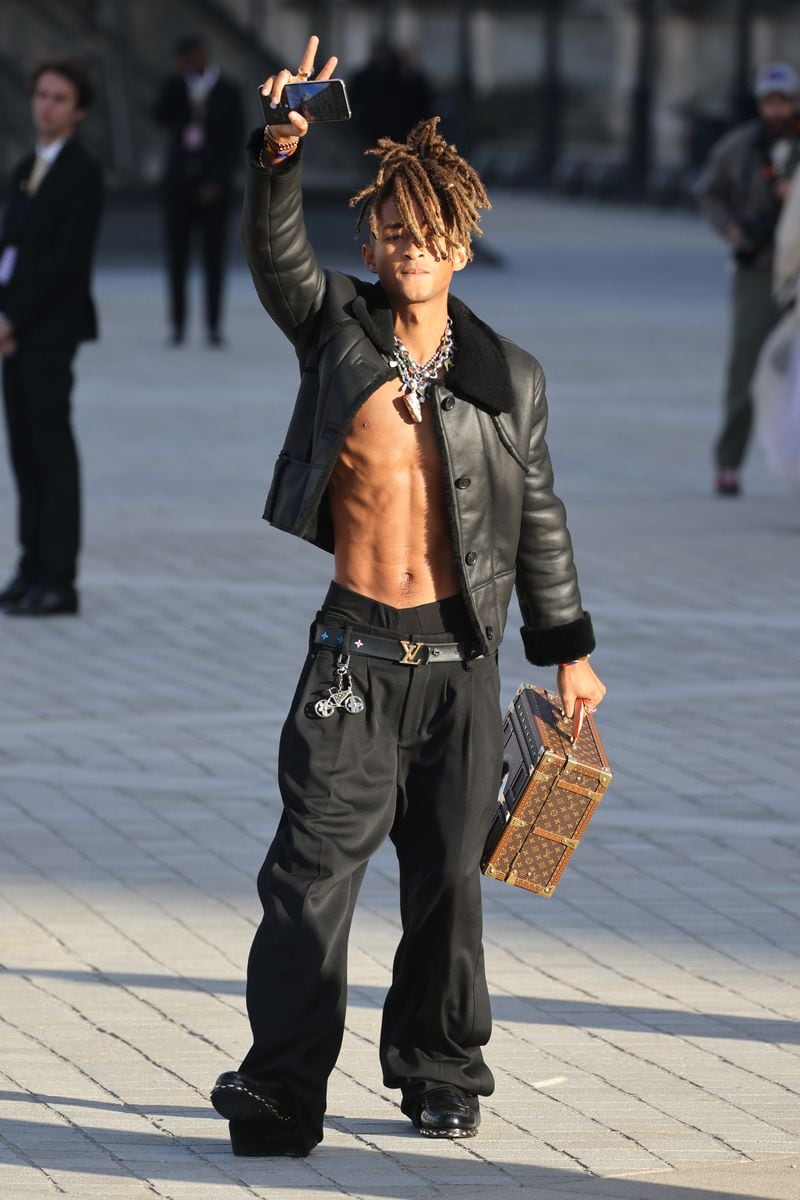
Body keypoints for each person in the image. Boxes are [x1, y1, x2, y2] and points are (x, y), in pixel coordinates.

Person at [210, 36, 606, 1158]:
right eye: (388, 232)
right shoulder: (336, 330)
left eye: (426, 234)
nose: (406, 248)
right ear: (370, 241)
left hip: (460, 663)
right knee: (305, 879)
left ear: (462, 246)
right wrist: (278, 153)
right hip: (351, 653)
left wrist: (567, 647)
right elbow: (275, 256)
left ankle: (438, 1070)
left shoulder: (507, 376)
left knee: (446, 885)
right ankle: (283, 1087)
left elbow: (536, 515)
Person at [0, 58, 103, 617]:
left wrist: (13, 320)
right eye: (41, 94)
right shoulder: (26, 166)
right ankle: (31, 565)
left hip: (47, 330)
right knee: (23, 453)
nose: (46, 105)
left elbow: (65, 263)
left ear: (78, 110)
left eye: (59, 98)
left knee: (51, 453)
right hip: (13, 329)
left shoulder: (81, 172)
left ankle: (59, 579)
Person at [697, 62, 800, 496]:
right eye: (769, 102)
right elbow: (708, 191)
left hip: (796, 268)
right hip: (757, 268)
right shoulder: (739, 147)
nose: (776, 111)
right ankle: (728, 462)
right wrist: (733, 231)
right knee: (745, 368)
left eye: (784, 102)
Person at [153, 35, 244, 346]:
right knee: (177, 257)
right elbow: (159, 117)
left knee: (213, 259)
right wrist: (173, 83)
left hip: (214, 189)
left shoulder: (227, 90)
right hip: (179, 185)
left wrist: (218, 181)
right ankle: (178, 325)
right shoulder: (177, 88)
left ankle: (213, 326)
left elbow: (234, 142)